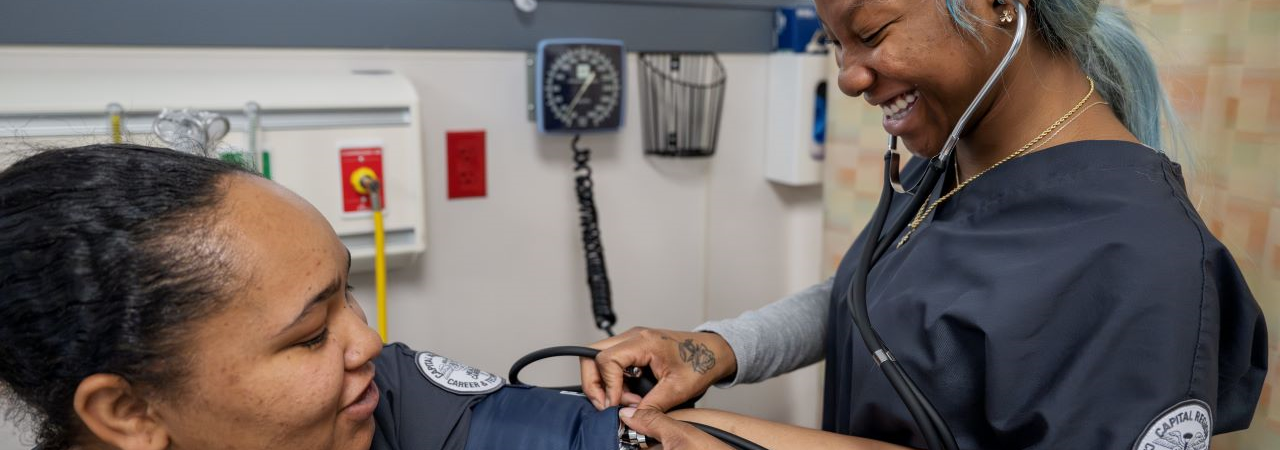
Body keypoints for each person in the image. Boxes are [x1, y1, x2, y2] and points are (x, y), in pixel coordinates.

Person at [581, 0, 1269, 448]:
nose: (850, 78)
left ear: (999, 5)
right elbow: (880, 295)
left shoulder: (1140, 259)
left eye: (871, 34)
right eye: (835, 45)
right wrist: (714, 349)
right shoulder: (957, 157)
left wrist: (730, 438)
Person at [0, 144, 676, 450]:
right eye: (310, 334)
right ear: (126, 411)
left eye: (344, 294)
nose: (371, 342)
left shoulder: (384, 402)